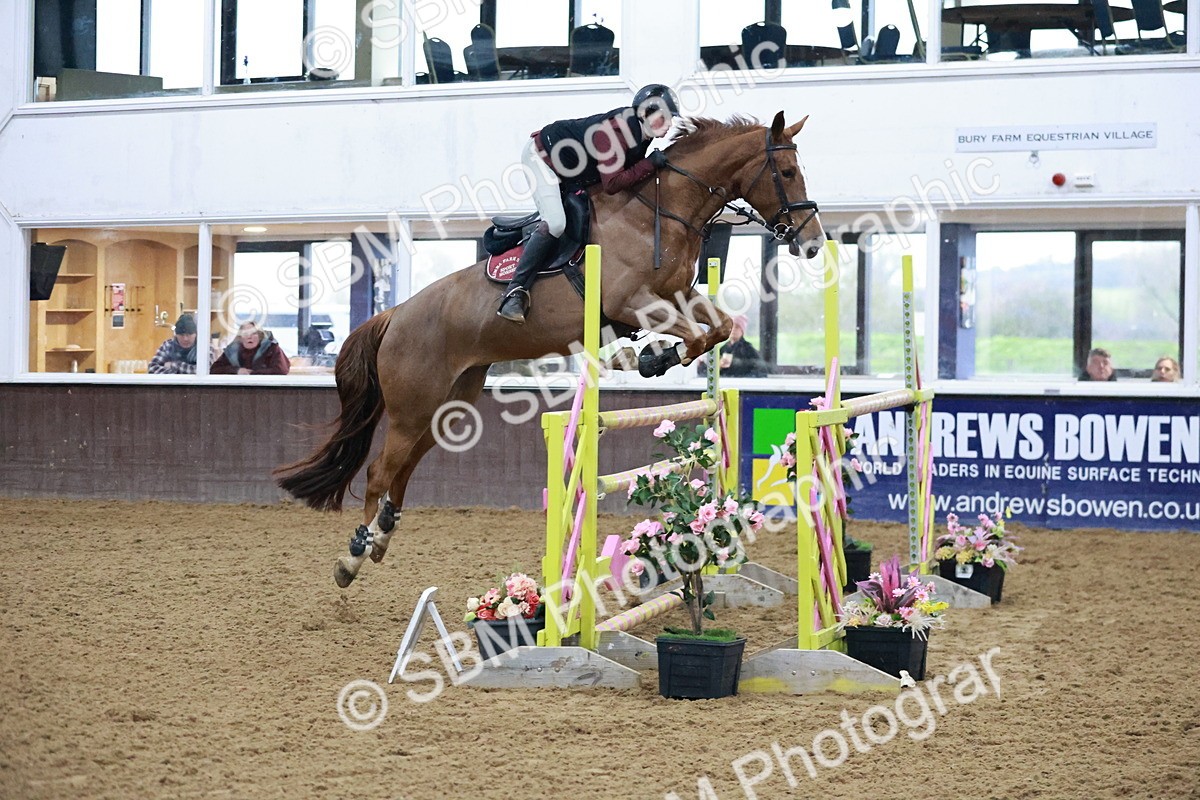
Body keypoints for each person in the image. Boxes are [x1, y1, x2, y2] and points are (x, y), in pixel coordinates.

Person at [497, 83, 682, 324]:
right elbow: (612, 183)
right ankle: (514, 292)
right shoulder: (615, 131)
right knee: (556, 223)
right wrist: (649, 164)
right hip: (543, 159)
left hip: (576, 171)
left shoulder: (642, 134)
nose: (669, 125)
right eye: (664, 118)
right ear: (645, 113)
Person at [696, 315, 768, 378]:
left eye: (737, 327)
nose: (733, 330)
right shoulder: (724, 348)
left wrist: (736, 364)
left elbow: (761, 369)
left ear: (742, 331)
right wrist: (718, 365)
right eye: (731, 327)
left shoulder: (748, 349)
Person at [211, 321, 291, 375]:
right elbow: (214, 369)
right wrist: (237, 371)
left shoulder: (272, 348)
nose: (249, 337)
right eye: (245, 333)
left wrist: (253, 373)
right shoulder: (232, 351)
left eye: (253, 333)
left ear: (260, 336)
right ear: (240, 338)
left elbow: (281, 370)